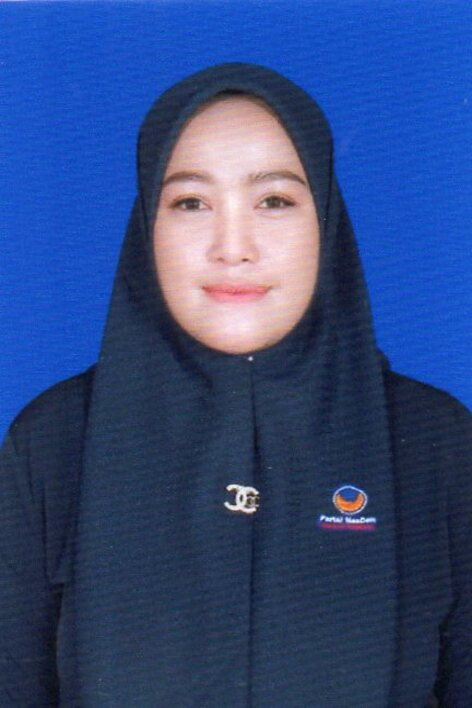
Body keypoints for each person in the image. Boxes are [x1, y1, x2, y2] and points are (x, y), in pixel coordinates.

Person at [0, 62, 470, 707]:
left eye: (274, 201)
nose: (233, 247)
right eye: (191, 202)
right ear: (147, 225)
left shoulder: (431, 441)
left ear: (325, 221)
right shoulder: (54, 442)